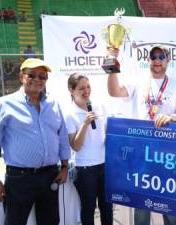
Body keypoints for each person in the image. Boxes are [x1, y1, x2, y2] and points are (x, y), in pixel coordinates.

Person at [0, 58, 71, 225]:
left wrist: (65, 166)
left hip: (51, 176)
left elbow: (62, 138)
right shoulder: (4, 104)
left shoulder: (54, 104)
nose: (37, 79)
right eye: (32, 75)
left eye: (42, 76)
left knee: (51, 222)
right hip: (19, 179)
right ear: (21, 77)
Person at [107, 45, 176, 225]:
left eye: (161, 56)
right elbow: (114, 92)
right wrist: (112, 61)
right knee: (141, 204)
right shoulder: (138, 81)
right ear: (148, 60)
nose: (157, 60)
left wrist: (172, 116)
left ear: (167, 60)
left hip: (168, 153)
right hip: (141, 152)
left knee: (168, 205)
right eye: (153, 56)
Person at [65, 73, 113, 225]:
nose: (86, 91)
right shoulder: (69, 114)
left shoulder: (99, 107)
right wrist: (85, 124)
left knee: (107, 206)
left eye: (88, 87)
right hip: (84, 168)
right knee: (88, 208)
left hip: (104, 164)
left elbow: (106, 133)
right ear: (71, 91)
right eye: (81, 88)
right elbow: (76, 146)